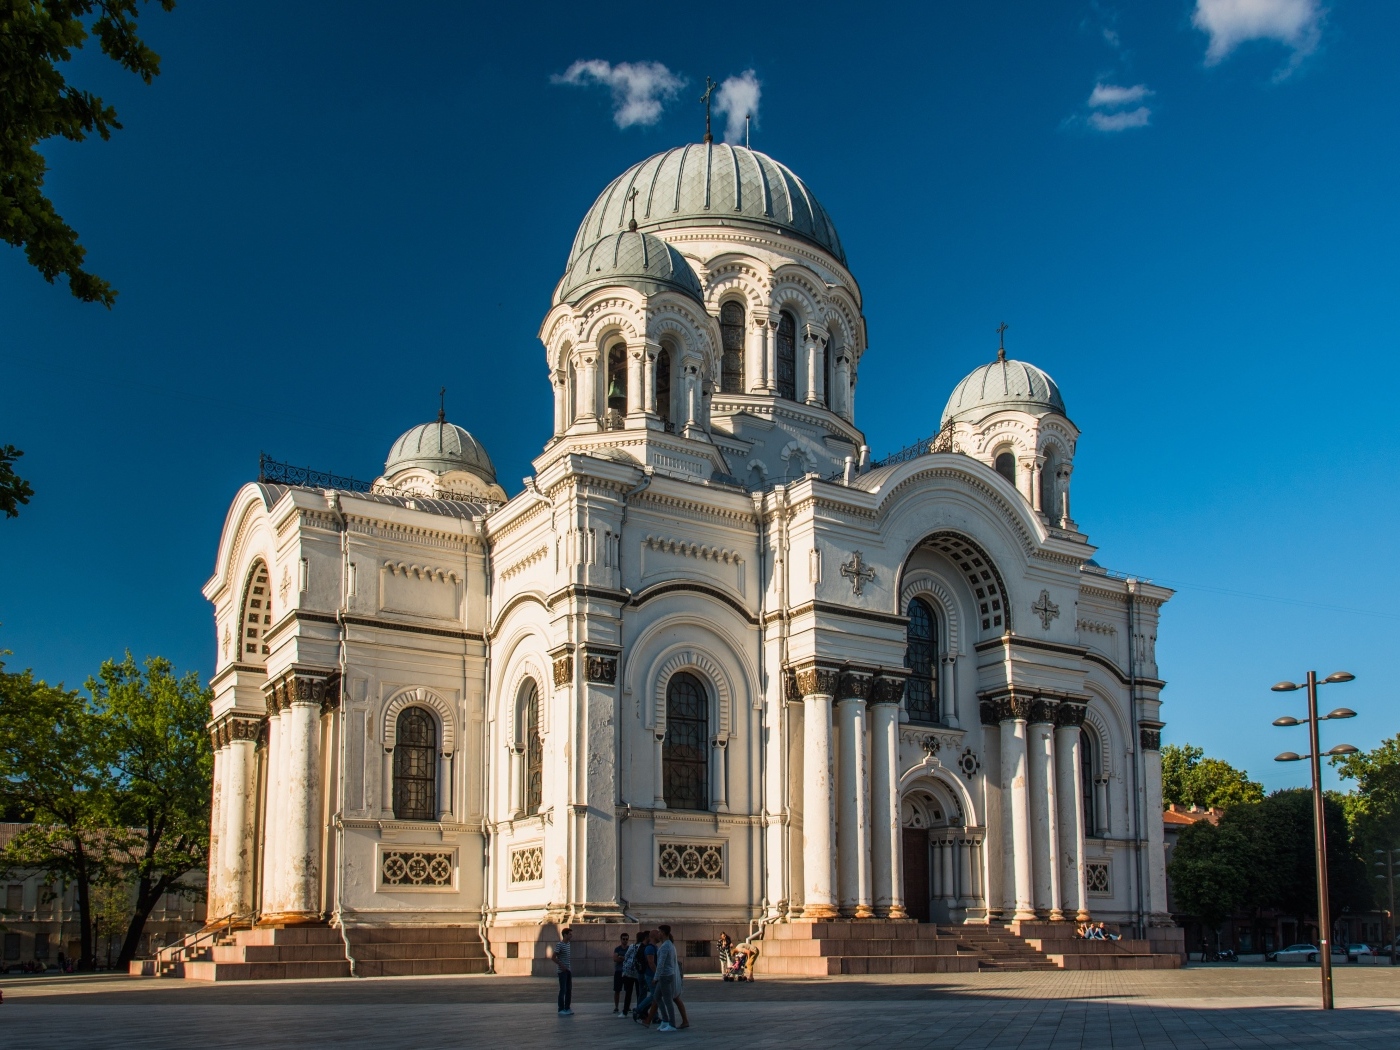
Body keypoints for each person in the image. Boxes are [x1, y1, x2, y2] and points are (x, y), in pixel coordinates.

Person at [651, 924, 679, 1032]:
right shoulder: (668, 944)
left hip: (665, 976)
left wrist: (655, 977)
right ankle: (665, 1020)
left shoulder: (666, 946)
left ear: (662, 933)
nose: (658, 934)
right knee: (657, 997)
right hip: (666, 975)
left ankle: (672, 1024)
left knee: (667, 1000)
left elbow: (661, 964)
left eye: (659, 932)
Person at [631, 930, 658, 1024]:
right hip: (648, 974)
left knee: (649, 995)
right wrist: (657, 974)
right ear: (647, 937)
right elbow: (650, 963)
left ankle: (646, 1013)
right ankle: (640, 1010)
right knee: (654, 995)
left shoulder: (642, 947)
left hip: (643, 974)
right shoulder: (648, 948)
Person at [552, 927, 573, 1016]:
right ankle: (561, 1008)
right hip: (562, 971)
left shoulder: (568, 944)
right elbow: (553, 957)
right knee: (563, 990)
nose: (571, 936)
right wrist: (562, 965)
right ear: (565, 935)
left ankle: (567, 1007)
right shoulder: (560, 945)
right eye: (570, 934)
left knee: (569, 990)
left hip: (568, 970)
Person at [612, 931, 632, 1016]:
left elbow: (630, 959)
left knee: (628, 991)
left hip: (627, 972)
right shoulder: (617, 949)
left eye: (626, 939)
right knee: (617, 990)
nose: (625, 940)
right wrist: (624, 958)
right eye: (623, 939)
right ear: (621, 939)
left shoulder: (629, 948)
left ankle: (627, 1006)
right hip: (618, 972)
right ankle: (616, 1007)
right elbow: (615, 959)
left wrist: (621, 957)